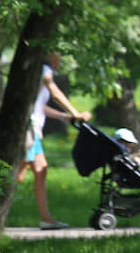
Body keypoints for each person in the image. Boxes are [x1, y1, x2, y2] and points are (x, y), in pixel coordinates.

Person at [16, 52, 92, 229]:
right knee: (17, 174)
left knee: (40, 170)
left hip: (33, 128)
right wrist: (76, 113)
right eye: (59, 56)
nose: (61, 60)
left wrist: (65, 118)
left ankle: (46, 218)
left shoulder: (39, 72)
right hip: (29, 127)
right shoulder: (44, 70)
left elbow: (40, 106)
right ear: (49, 54)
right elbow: (56, 93)